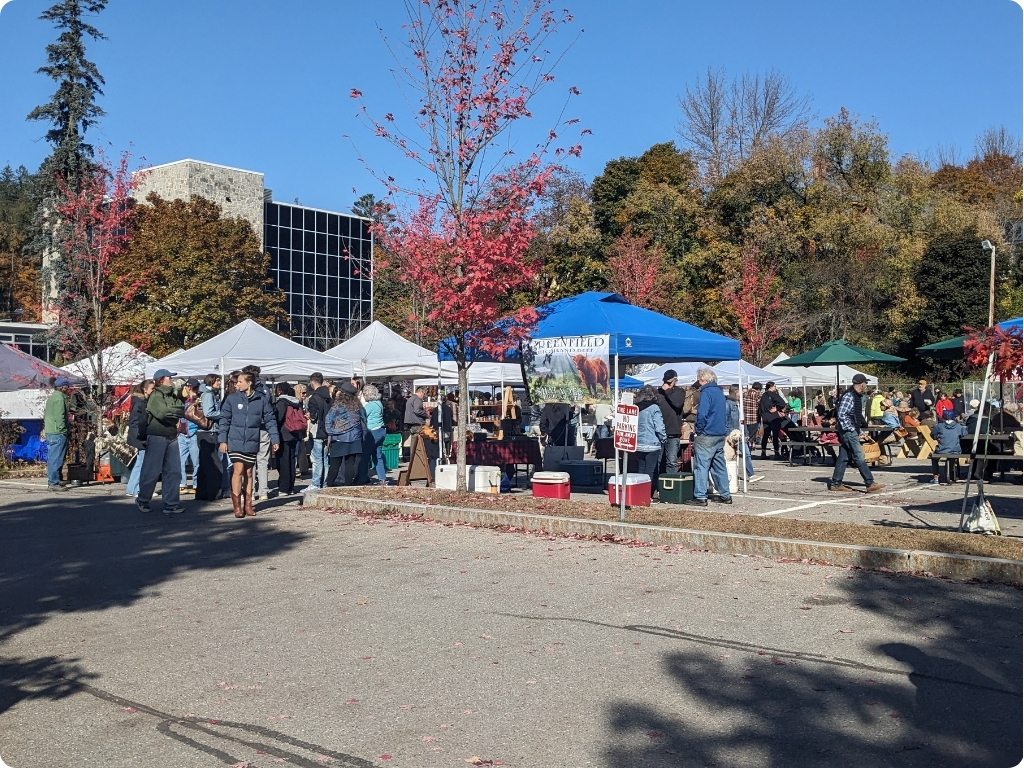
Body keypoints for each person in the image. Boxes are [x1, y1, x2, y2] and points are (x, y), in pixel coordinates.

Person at [219, 371, 280, 517]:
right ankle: (237, 506)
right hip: (235, 440)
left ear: (249, 382)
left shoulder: (261, 399)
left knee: (248, 472)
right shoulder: (232, 399)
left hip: (252, 440)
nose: (237, 384)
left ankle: (248, 504)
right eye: (236, 381)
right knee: (238, 470)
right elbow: (224, 420)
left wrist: (275, 439)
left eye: (240, 381)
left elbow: (270, 420)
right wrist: (222, 440)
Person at [137, 369, 186, 514]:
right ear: (161, 379)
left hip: (171, 435)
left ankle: (171, 504)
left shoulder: (173, 395)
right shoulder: (155, 395)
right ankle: (143, 500)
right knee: (151, 470)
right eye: (169, 377)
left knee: (174, 471)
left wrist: (171, 411)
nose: (171, 379)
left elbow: (181, 409)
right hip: (157, 434)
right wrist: (173, 413)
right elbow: (161, 413)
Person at [828, 373, 884, 493]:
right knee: (859, 456)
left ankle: (836, 483)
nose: (866, 386)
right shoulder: (849, 396)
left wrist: (860, 431)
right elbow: (842, 414)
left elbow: (854, 417)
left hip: (850, 430)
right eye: (865, 383)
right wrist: (853, 430)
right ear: (862, 384)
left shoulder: (855, 395)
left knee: (844, 457)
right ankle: (869, 483)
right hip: (848, 431)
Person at [684, 367, 731, 506]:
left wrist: (699, 430)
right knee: (719, 465)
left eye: (699, 379)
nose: (698, 382)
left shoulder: (706, 392)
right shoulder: (720, 392)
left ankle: (700, 496)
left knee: (701, 466)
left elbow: (702, 413)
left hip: (707, 434)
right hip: (719, 433)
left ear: (703, 379)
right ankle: (725, 494)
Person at [242, 365, 273, 500]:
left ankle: (249, 490)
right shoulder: (265, 390)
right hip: (263, 427)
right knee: (262, 460)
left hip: (249, 427)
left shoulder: (245, 391)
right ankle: (263, 491)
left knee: (249, 460)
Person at [324, 385, 364, 487]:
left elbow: (328, 420)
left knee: (335, 464)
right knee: (350, 463)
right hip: (355, 438)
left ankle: (329, 485)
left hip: (338, 438)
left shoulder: (336, 406)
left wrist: (330, 432)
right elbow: (364, 420)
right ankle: (348, 486)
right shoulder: (358, 407)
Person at [195, 374, 225, 500]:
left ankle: (202, 493)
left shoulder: (208, 393)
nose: (219, 383)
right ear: (212, 381)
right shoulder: (208, 395)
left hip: (205, 432)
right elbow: (209, 412)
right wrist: (223, 414)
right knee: (214, 464)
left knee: (204, 464)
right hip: (209, 432)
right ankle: (214, 492)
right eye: (218, 381)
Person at [633, 386, 666, 499]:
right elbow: (659, 427)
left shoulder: (637, 408)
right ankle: (647, 494)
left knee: (641, 468)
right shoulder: (654, 408)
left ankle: (640, 493)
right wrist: (664, 438)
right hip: (652, 444)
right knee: (650, 470)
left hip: (639, 443)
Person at [274, 382, 305, 495]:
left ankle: (284, 488)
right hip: (295, 434)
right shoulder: (296, 402)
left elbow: (279, 418)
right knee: (292, 461)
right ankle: (290, 487)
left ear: (280, 390)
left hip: (284, 434)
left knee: (283, 462)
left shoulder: (282, 402)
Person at [125, 379, 155, 497]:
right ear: (145, 389)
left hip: (140, 436)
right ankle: (134, 489)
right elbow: (136, 422)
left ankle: (133, 488)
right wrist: (141, 436)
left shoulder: (141, 401)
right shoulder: (140, 403)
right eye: (152, 389)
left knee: (141, 462)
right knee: (141, 463)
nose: (153, 391)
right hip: (141, 436)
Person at [43, 377, 72, 491]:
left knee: (53, 456)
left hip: (51, 431)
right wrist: (63, 429)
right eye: (67, 386)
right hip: (57, 432)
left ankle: (56, 479)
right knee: (56, 458)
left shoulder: (52, 398)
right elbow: (59, 417)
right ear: (62, 387)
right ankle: (53, 482)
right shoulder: (59, 399)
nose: (68, 388)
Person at [306, 372, 333, 490]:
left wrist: (308, 416)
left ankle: (316, 483)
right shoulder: (329, 397)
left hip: (317, 431)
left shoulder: (314, 398)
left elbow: (313, 416)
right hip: (327, 431)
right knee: (325, 459)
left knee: (317, 459)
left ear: (312, 382)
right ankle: (324, 483)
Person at [656, 370, 685, 474]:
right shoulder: (658, 393)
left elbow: (677, 403)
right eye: (666, 382)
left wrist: (667, 391)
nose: (667, 385)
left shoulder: (680, 392)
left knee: (672, 462)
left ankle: (671, 487)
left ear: (675, 381)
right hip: (659, 432)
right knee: (658, 462)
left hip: (673, 433)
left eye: (669, 382)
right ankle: (657, 486)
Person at [726, 385, 757, 482]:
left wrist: (746, 433)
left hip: (741, 433)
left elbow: (743, 420)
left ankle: (751, 475)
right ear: (735, 392)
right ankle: (748, 475)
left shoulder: (739, 404)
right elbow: (725, 419)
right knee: (732, 455)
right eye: (741, 391)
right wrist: (727, 434)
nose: (744, 393)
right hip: (733, 434)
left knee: (746, 453)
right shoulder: (728, 404)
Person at [177, 378, 201, 495]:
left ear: (190, 387)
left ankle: (196, 484)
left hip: (193, 434)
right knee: (180, 460)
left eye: (187, 387)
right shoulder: (184, 401)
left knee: (196, 461)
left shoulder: (198, 401)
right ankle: (182, 483)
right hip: (182, 434)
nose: (185, 389)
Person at [361, 384, 388, 485]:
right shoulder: (379, 403)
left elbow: (362, 416)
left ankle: (362, 478)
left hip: (372, 432)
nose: (364, 396)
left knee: (365, 456)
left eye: (364, 394)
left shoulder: (370, 405)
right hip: (381, 430)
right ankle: (382, 478)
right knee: (378, 456)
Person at [930, 411, 966, 485]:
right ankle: (950, 475)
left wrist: (938, 437)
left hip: (942, 449)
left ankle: (936, 477)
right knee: (952, 457)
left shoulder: (939, 426)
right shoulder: (958, 426)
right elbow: (964, 434)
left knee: (934, 458)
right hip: (955, 449)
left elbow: (933, 434)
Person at [758, 382, 787, 458]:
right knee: (775, 435)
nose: (775, 387)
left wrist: (763, 415)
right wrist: (777, 408)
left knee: (766, 435)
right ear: (770, 387)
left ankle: (763, 452)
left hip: (765, 417)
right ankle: (776, 452)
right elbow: (782, 403)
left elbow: (760, 408)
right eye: (775, 386)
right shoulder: (774, 395)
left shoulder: (763, 396)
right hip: (773, 417)